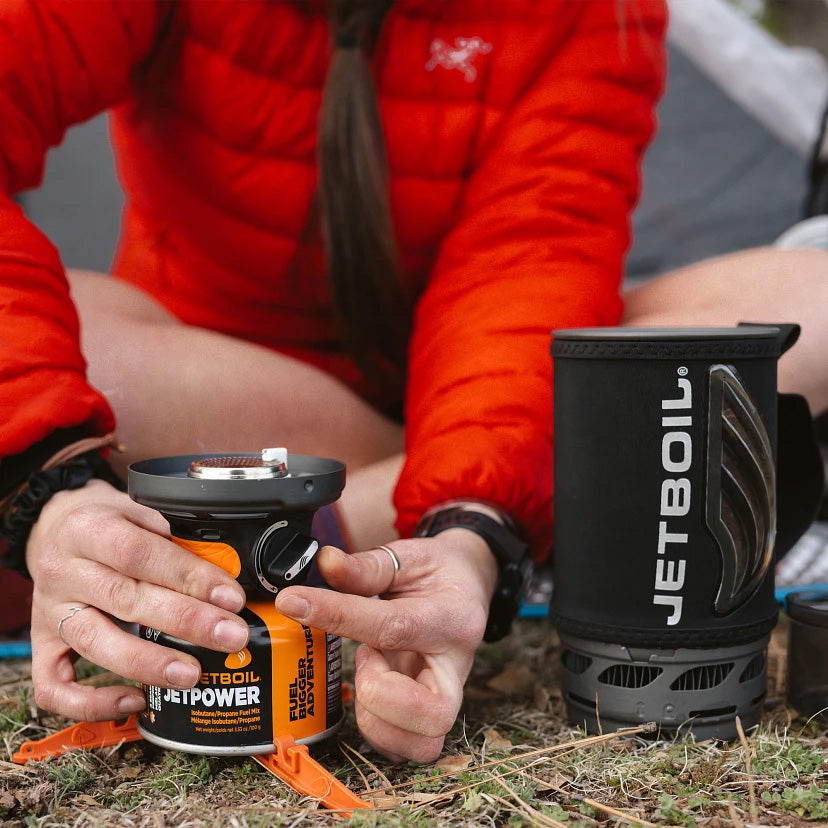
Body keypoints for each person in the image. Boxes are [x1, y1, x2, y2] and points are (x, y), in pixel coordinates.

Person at [1, 0, 824, 765]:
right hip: (223, 393)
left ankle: (354, 523)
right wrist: (47, 485)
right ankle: (527, 489)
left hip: (486, 377)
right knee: (85, 348)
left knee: (809, 298)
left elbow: (527, 265)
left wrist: (466, 532)